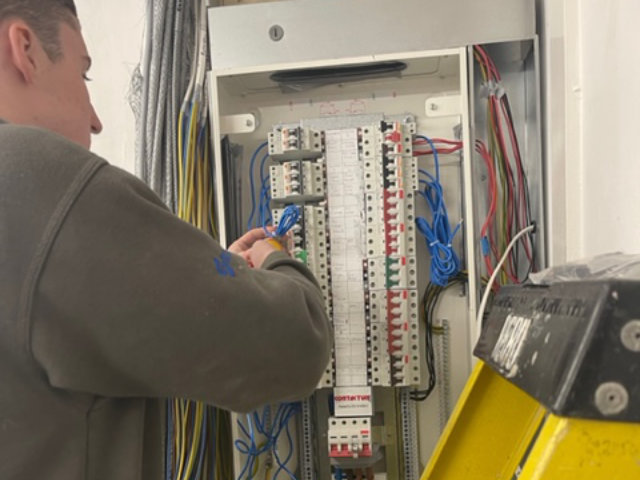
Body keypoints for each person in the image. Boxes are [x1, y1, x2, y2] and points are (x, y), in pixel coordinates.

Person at [0, 1, 332, 479]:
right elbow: (296, 345)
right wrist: (276, 263)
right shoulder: (41, 183)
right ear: (25, 49)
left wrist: (221, 273)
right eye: (83, 74)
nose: (95, 120)